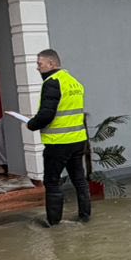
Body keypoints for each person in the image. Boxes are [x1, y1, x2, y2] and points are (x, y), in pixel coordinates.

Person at [27, 49, 91, 226]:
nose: (37, 68)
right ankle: (85, 217)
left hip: (58, 142)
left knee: (52, 182)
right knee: (79, 179)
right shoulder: (74, 82)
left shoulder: (52, 83)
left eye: (40, 64)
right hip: (78, 140)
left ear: (51, 64)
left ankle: (54, 223)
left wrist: (31, 124)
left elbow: (47, 114)